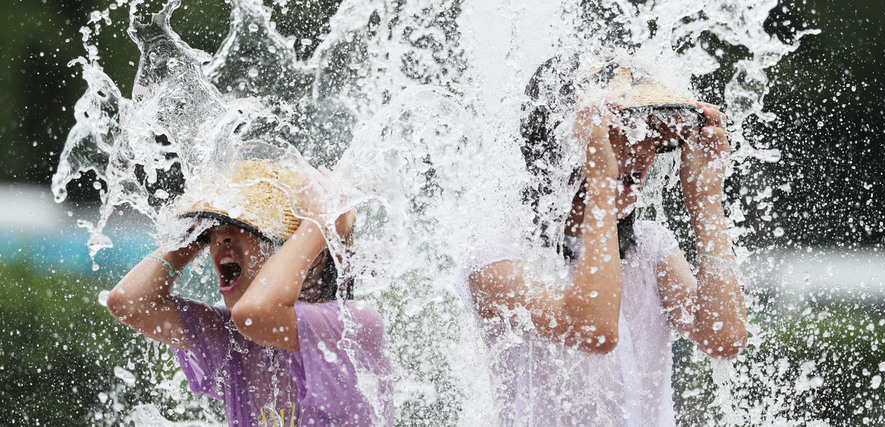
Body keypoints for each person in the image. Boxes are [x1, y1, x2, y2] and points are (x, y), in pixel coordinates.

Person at [459, 56, 748, 425]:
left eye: (650, 133)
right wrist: (601, 183)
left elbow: (724, 339)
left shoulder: (650, 249)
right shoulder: (495, 262)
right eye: (617, 131)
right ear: (563, 144)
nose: (641, 150)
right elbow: (594, 331)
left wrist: (706, 202)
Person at [107, 156, 393, 426]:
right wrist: (191, 237)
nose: (221, 237)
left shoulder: (354, 327)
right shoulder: (237, 336)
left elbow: (255, 314)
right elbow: (130, 302)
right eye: (214, 231)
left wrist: (319, 224)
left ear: (312, 256)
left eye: (246, 226)